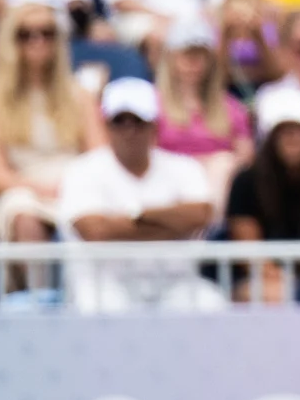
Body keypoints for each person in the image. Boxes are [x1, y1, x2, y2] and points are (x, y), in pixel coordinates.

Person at [53, 76, 222, 308]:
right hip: (102, 284)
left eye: (138, 121)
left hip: (174, 284)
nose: (129, 131)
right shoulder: (82, 170)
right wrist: (168, 225)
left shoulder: (184, 167)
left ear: (154, 125)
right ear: (106, 125)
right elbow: (94, 230)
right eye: (119, 122)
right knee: (101, 307)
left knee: (209, 304)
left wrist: (132, 218)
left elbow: (200, 214)